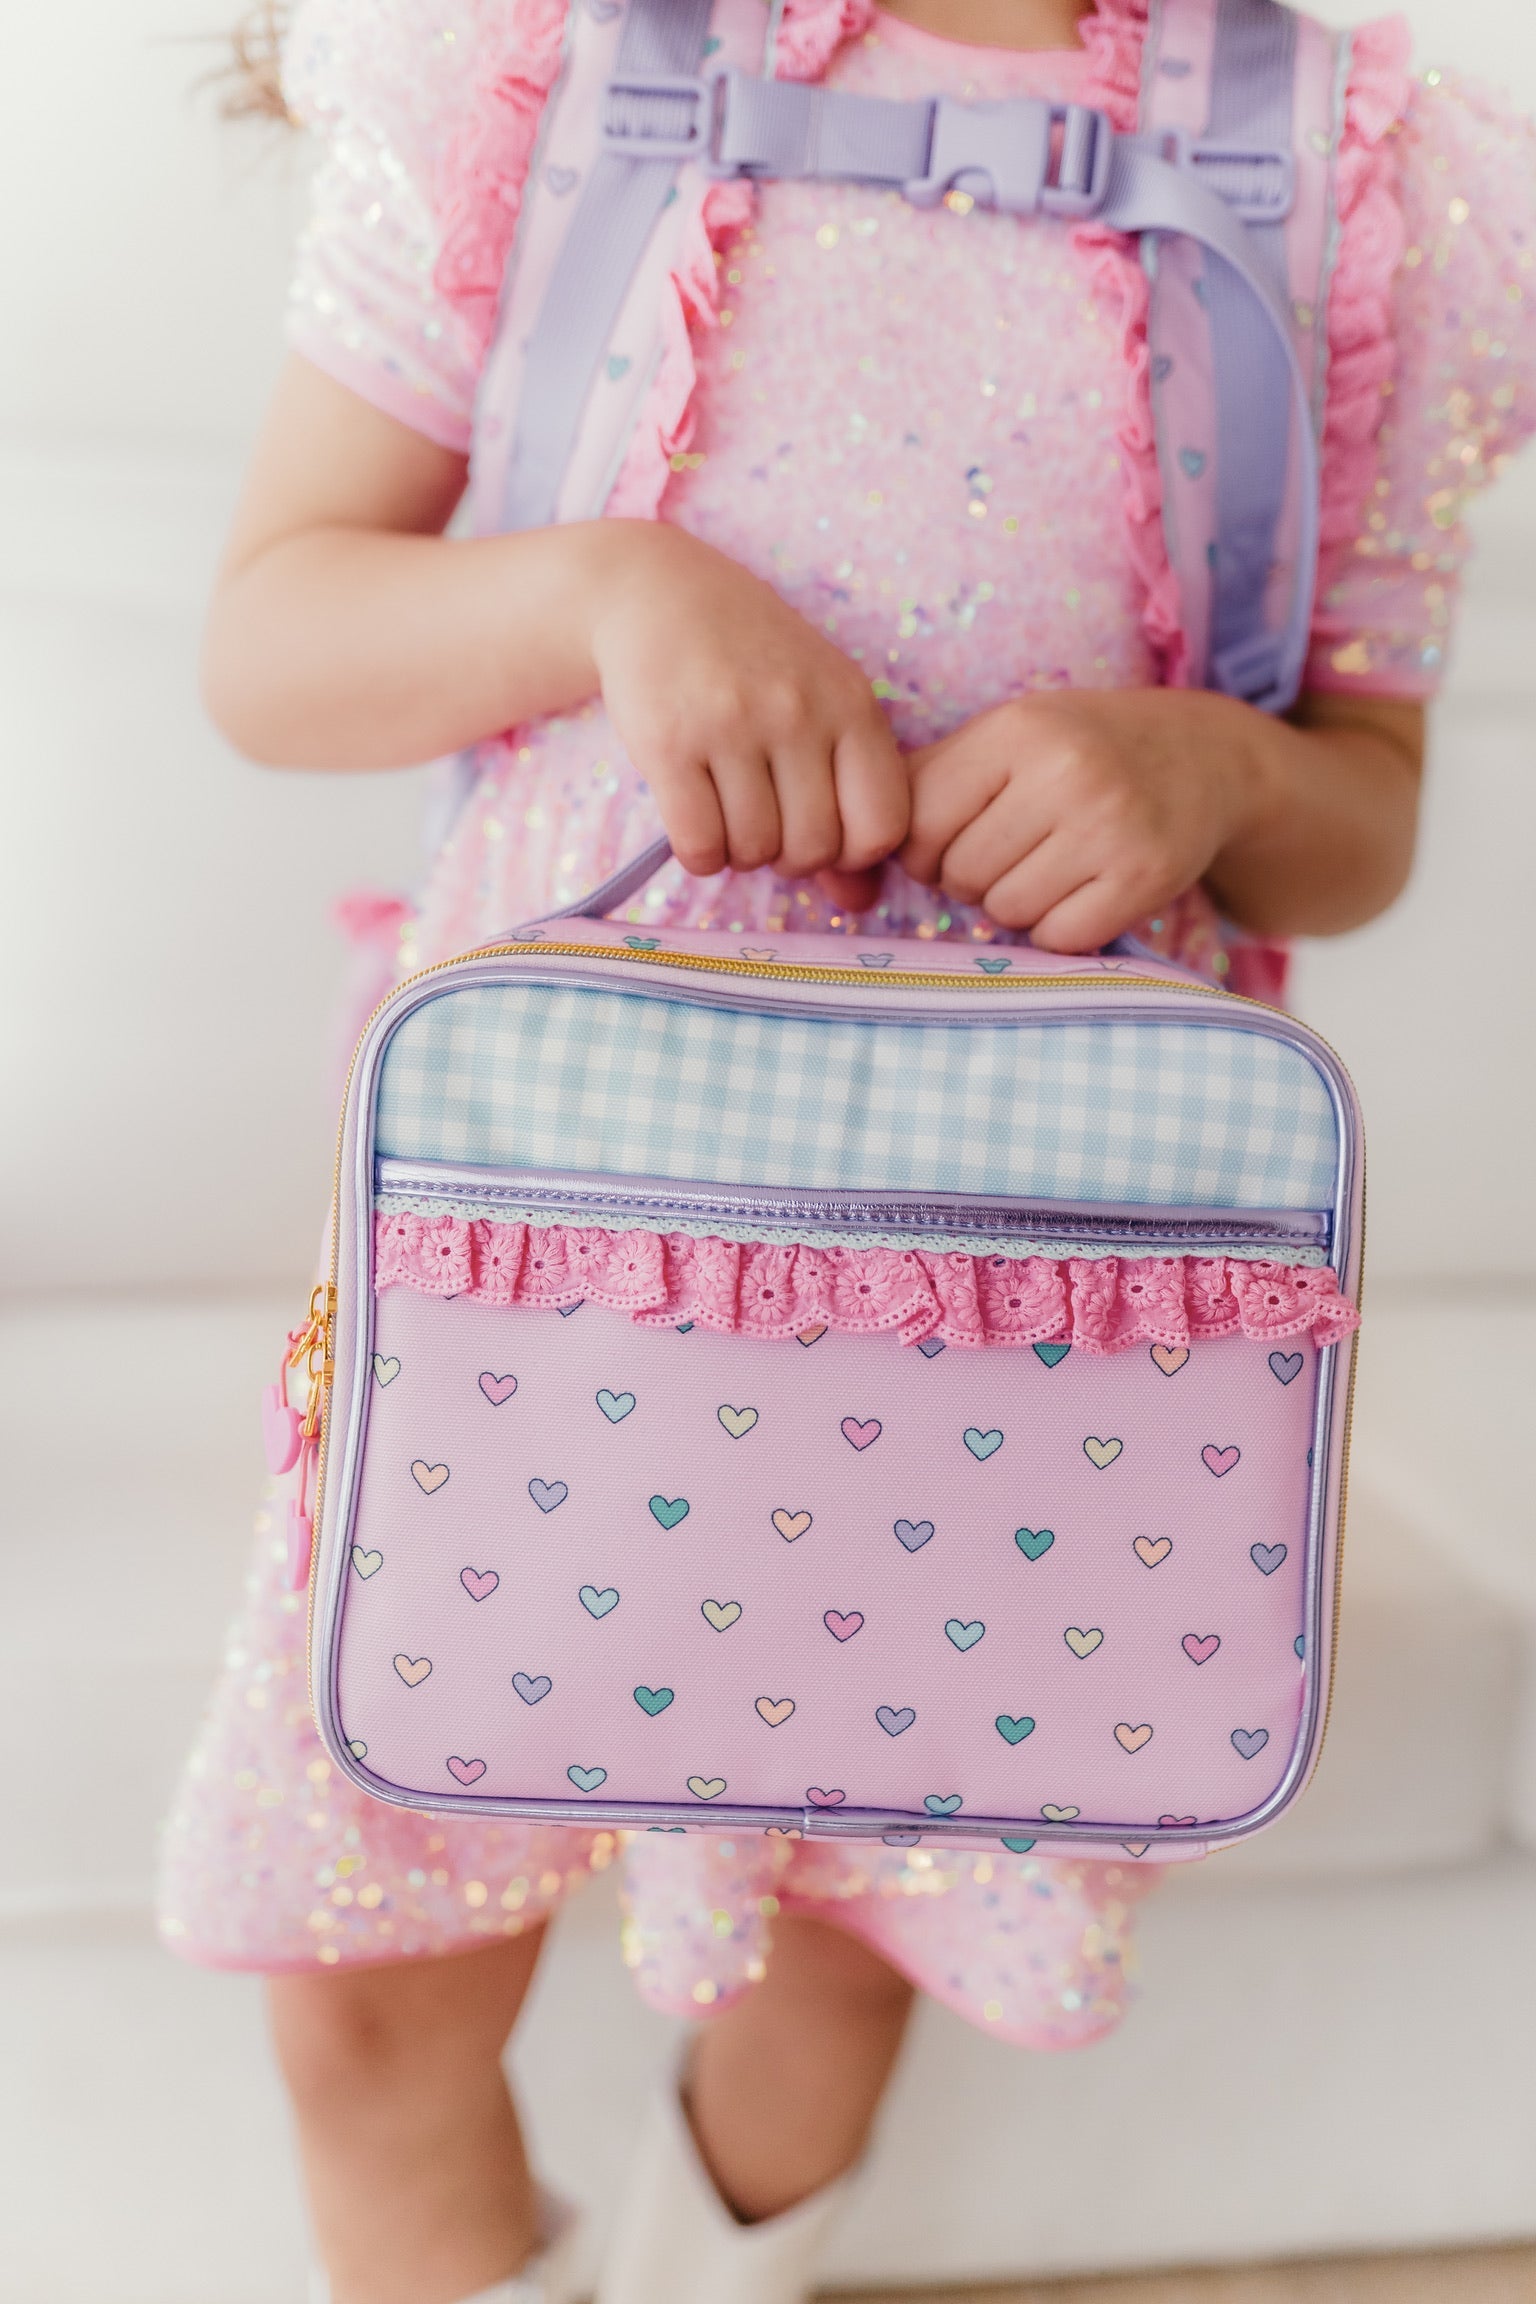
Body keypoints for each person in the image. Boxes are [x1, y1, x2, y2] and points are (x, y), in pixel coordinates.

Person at [158, 0, 1536, 2298]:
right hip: (552, 1267)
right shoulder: (532, 61)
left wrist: (1214, 773)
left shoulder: (1382, 169)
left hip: (1019, 1304)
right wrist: (602, 590)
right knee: (368, 1997)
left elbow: (1360, 815)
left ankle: (723, 2268)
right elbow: (272, 641)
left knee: (845, 1952)